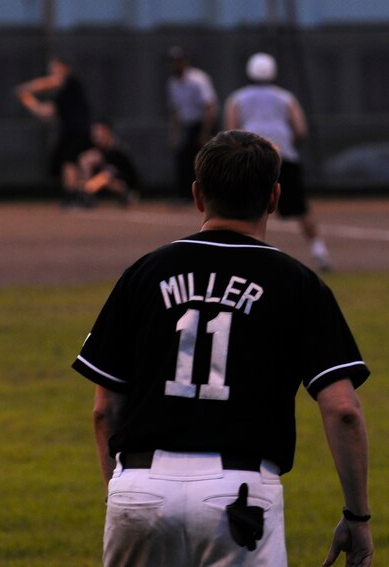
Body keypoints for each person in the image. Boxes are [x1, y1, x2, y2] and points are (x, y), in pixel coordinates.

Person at [71, 130, 372, 567]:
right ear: (274, 198)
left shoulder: (144, 273)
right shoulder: (297, 283)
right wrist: (357, 516)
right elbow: (343, 409)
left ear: (197, 195)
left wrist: (125, 496)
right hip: (239, 495)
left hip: (139, 485)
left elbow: (104, 410)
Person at [224, 52, 332, 272]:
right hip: (284, 155)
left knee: (246, 208)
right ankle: (320, 252)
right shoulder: (286, 97)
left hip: (250, 157)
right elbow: (300, 129)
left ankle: (242, 257)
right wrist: (288, 145)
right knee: (300, 209)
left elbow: (231, 131)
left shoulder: (238, 98)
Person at [15, 57, 92, 202]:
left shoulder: (71, 82)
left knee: (72, 161)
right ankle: (76, 195)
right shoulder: (60, 95)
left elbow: (51, 82)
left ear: (65, 68)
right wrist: (26, 98)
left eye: (56, 68)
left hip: (78, 130)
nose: (52, 72)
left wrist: (27, 88)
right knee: (68, 162)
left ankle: (78, 195)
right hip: (70, 131)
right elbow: (44, 112)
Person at [166, 46, 218, 200]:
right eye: (174, 62)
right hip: (188, 126)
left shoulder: (198, 79)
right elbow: (176, 111)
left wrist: (206, 133)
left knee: (206, 160)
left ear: (185, 62)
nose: (176, 65)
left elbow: (209, 107)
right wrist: (175, 134)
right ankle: (186, 195)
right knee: (183, 158)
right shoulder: (172, 83)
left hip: (203, 124)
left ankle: (210, 194)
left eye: (179, 61)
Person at [73, 119, 141, 206]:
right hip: (106, 178)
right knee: (86, 162)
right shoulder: (98, 148)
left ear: (107, 132)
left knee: (104, 178)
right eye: (95, 133)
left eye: (100, 133)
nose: (96, 136)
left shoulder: (117, 151)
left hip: (126, 183)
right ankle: (86, 195)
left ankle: (127, 194)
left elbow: (107, 176)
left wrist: (86, 187)